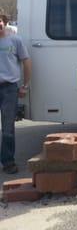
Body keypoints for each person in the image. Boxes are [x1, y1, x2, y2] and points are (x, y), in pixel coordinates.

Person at [0, 14, 31, 174]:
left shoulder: (15, 40)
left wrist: (25, 85)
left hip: (9, 89)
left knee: (7, 128)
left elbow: (26, 61)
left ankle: (8, 162)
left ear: (3, 21)